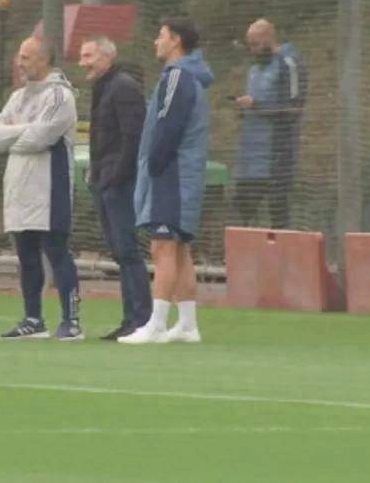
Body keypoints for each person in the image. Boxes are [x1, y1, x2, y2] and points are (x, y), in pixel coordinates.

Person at [120, 18, 214, 345]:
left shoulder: (178, 76)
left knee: (163, 246)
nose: (155, 42)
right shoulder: (187, 77)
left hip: (172, 174)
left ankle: (156, 324)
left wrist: (155, 166)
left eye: (160, 36)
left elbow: (169, 125)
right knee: (180, 249)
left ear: (175, 41)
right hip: (180, 174)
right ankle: (187, 325)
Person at [0, 36, 83, 341]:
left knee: (56, 251)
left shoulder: (60, 96)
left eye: (26, 57)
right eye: (19, 56)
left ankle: (72, 321)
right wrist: (20, 134)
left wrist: (12, 138)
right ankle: (33, 319)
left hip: (49, 189)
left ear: (44, 60)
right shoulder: (18, 97)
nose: (19, 63)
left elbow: (41, 137)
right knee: (26, 255)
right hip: (19, 188)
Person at [78, 35, 151, 340]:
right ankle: (130, 319)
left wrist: (115, 178)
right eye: (82, 56)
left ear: (107, 56)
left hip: (118, 184)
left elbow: (132, 138)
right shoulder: (104, 87)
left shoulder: (123, 87)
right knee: (120, 252)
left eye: (88, 56)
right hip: (105, 181)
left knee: (127, 250)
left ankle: (141, 319)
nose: (82, 63)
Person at [233, 18, 306, 230]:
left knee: (278, 212)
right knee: (242, 209)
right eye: (250, 45)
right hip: (250, 156)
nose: (252, 50)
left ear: (268, 39)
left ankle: (282, 249)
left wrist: (257, 105)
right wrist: (245, 109)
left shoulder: (289, 64)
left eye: (256, 44)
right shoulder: (255, 70)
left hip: (277, 155)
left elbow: (294, 109)